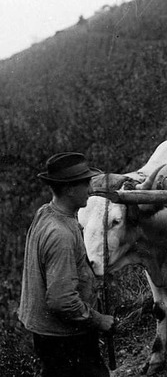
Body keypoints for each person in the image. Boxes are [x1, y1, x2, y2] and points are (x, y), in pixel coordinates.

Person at [18, 152, 114, 377]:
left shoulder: (47, 212)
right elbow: (61, 301)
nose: (91, 190)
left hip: (49, 333)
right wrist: (99, 320)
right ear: (70, 188)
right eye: (86, 184)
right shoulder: (60, 234)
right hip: (65, 337)